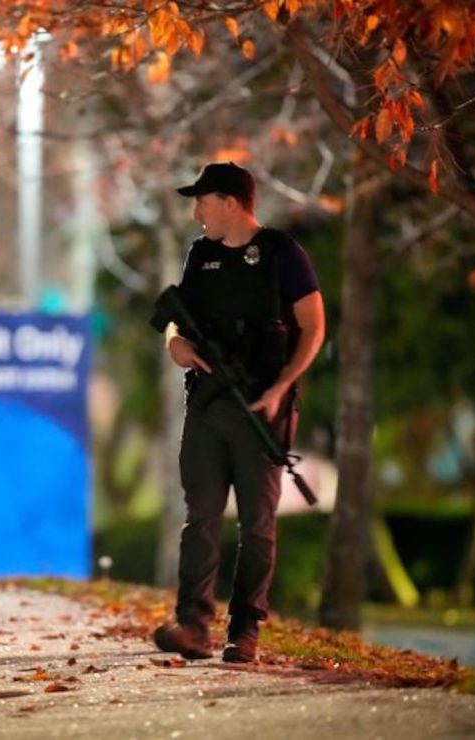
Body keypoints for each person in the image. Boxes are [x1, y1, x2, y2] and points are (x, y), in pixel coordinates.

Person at [153, 162, 325, 663]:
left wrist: (282, 387)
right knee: (200, 518)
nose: (196, 212)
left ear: (231, 203)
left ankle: (245, 631)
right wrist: (175, 346)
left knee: (256, 524)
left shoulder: (281, 254)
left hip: (261, 407)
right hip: (206, 405)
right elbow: (174, 321)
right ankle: (193, 626)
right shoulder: (199, 255)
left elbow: (313, 328)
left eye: (202, 201)